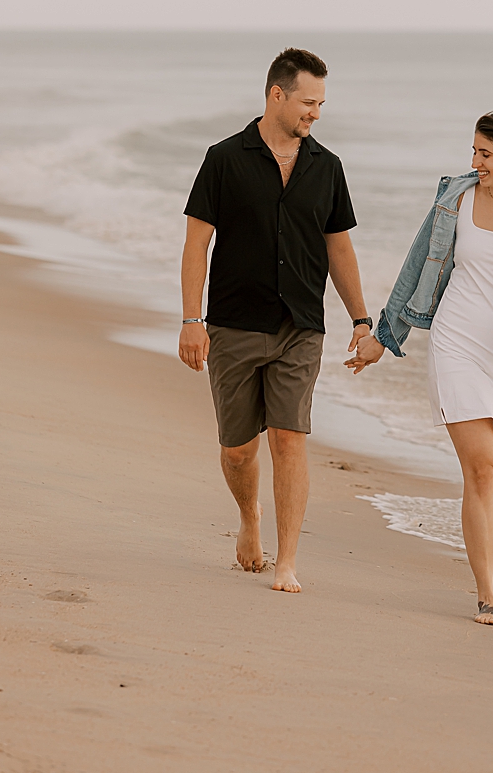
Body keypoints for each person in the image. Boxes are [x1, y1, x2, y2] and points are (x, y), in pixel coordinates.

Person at [350, 109, 493, 626]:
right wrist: (384, 338)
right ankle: (484, 595)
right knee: (481, 469)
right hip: (456, 341)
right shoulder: (455, 198)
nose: (474, 162)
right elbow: (418, 265)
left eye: (485, 154)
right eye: (473, 152)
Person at [178, 48, 374, 594]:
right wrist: (192, 319)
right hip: (234, 323)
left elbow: (340, 250)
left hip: (301, 325)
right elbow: (197, 244)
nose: (316, 113)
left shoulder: (326, 167)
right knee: (238, 448)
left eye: (322, 103)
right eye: (309, 102)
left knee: (290, 437)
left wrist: (361, 320)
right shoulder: (223, 158)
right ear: (277, 95)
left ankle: (287, 561)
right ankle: (249, 518)